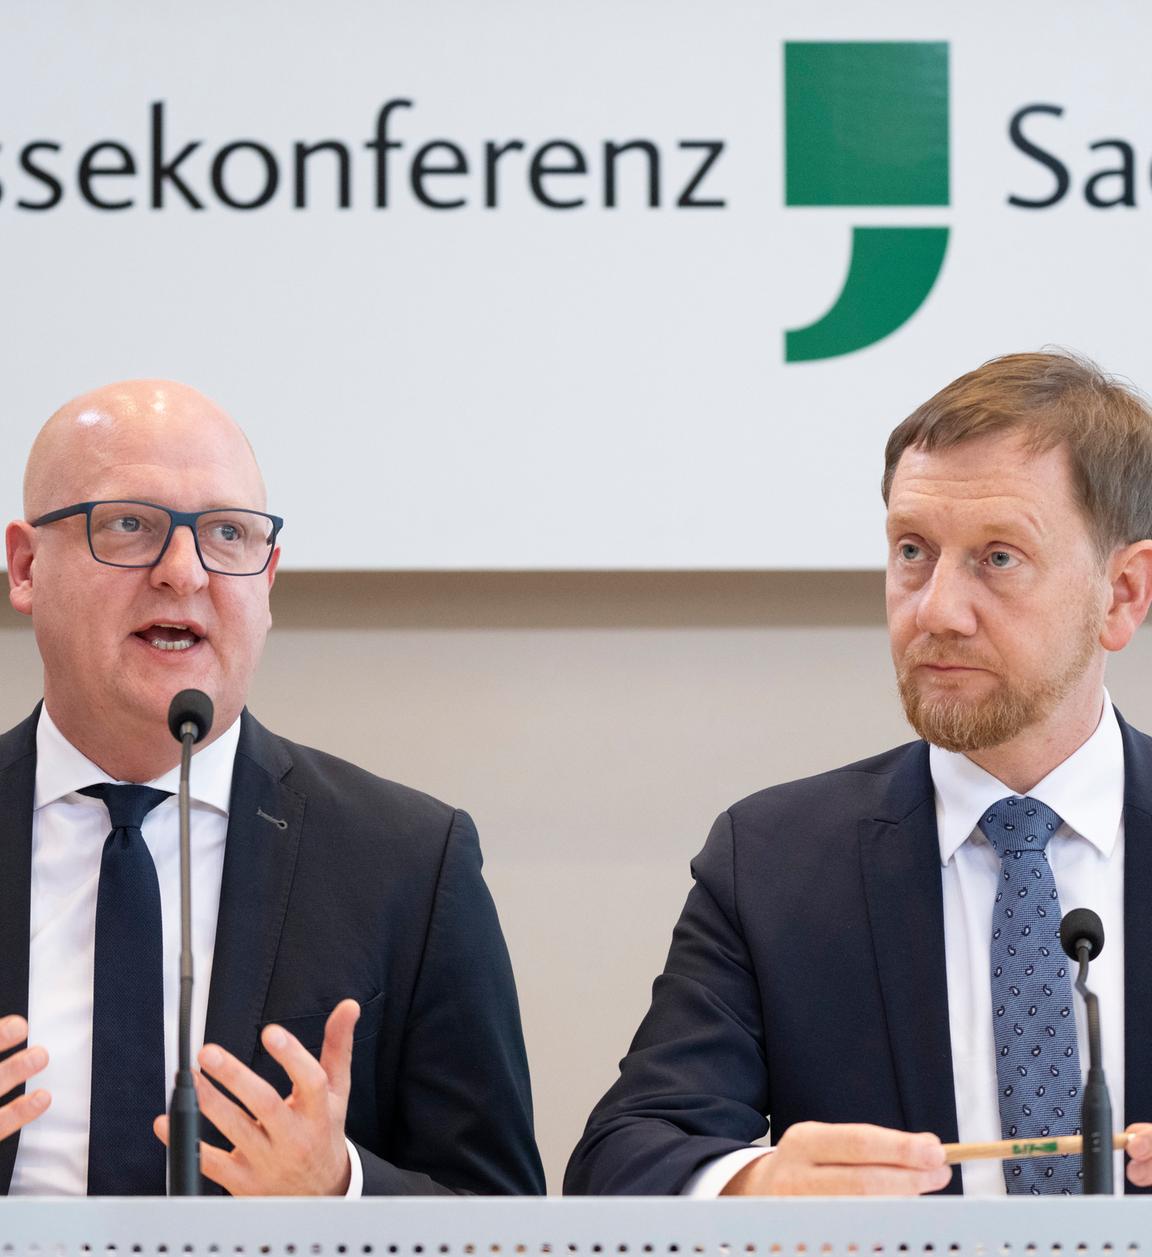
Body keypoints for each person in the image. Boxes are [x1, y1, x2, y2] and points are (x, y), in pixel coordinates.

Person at [566, 350, 1152, 1197]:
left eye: (999, 559)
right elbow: (625, 1156)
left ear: (1124, 594)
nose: (936, 611)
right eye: (913, 550)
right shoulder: (775, 860)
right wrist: (753, 1187)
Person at [0, 380, 544, 1198]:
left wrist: (339, 1190)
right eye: (128, 526)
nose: (183, 572)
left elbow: (505, 1230)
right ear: (27, 566)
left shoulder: (406, 861)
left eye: (226, 533)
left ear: (269, 576)